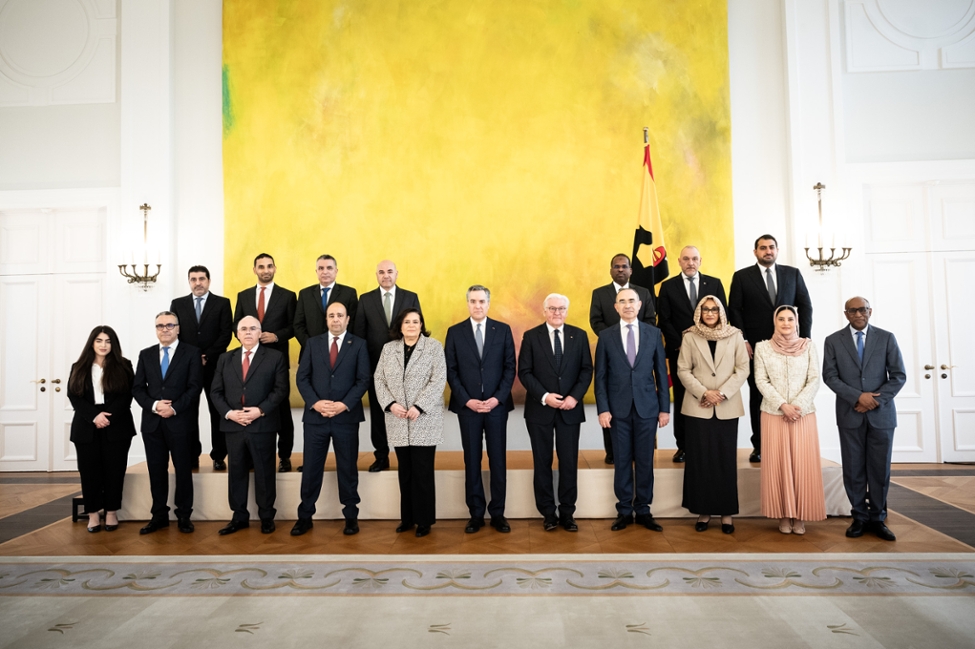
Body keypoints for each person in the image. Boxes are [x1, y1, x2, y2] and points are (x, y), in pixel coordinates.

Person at [823, 297, 906, 542]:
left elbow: (898, 375)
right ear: (846, 314)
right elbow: (830, 376)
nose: (858, 314)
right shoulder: (833, 341)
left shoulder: (886, 337)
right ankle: (859, 517)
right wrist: (858, 397)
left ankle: (878, 518)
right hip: (850, 414)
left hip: (882, 415)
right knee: (853, 468)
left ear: (870, 311)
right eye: (853, 310)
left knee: (879, 469)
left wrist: (874, 400)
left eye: (862, 309)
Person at [729, 234, 813, 463]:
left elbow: (805, 306)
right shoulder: (742, 277)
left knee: (790, 392)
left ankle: (788, 442)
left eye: (772, 247)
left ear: (777, 250)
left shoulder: (792, 274)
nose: (768, 251)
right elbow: (734, 310)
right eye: (763, 248)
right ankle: (760, 445)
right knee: (759, 395)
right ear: (755, 252)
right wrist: (743, 340)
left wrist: (805, 339)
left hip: (789, 347)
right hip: (756, 348)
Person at [594, 287, 670, 532]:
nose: (627, 305)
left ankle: (644, 509)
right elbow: (601, 377)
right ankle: (624, 510)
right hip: (617, 412)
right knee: (623, 461)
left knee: (646, 462)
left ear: (640, 306)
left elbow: (660, 373)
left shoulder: (653, 333)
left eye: (632, 301)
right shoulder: (606, 337)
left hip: (648, 409)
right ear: (616, 307)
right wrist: (603, 409)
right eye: (622, 301)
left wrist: (664, 409)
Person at [292, 302, 371, 536]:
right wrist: (316, 403)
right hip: (316, 418)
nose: (336, 319)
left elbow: (363, 380)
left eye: (340, 315)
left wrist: (343, 405)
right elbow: (302, 378)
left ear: (348, 319)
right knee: (311, 469)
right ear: (326, 319)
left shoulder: (359, 344)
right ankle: (305, 516)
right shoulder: (312, 344)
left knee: (347, 467)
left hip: (345, 418)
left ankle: (350, 516)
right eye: (331, 316)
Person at [517, 293, 593, 532]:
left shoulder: (579, 336)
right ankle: (548, 513)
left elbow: (586, 370)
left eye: (561, 308)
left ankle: (568, 513)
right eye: (552, 308)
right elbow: (525, 372)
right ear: (544, 310)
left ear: (567, 311)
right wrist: (545, 397)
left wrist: (574, 397)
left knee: (569, 462)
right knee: (542, 462)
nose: (557, 312)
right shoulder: (531, 336)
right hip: (540, 410)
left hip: (570, 409)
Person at [445, 285, 516, 534]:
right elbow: (451, 371)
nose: (477, 305)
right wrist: (466, 400)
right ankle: (475, 514)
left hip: (496, 407)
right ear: (467, 304)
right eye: (473, 301)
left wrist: (497, 398)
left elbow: (510, 368)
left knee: (498, 461)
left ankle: (498, 513)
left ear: (488, 303)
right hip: (469, 409)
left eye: (482, 301)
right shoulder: (455, 332)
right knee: (472, 461)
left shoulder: (503, 330)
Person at [210, 316, 289, 535]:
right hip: (233, 425)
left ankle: (266, 516)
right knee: (236, 472)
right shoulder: (225, 359)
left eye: (252, 328)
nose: (247, 332)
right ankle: (239, 517)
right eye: (243, 328)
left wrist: (259, 410)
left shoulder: (275, 357)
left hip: (262, 423)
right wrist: (229, 413)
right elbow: (215, 392)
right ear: (237, 333)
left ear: (260, 332)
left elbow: (280, 390)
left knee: (264, 472)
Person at [676, 297, 748, 534]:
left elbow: (743, 369)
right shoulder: (689, 336)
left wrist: (722, 393)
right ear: (699, 312)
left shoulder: (735, 335)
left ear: (721, 312)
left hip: (727, 407)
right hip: (698, 407)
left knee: (725, 461)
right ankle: (703, 511)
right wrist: (704, 392)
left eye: (714, 309)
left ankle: (727, 514)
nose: (709, 313)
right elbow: (683, 369)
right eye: (705, 309)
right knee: (701, 462)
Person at [374, 308, 447, 538]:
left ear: (421, 325)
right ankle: (407, 518)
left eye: (416, 322)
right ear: (400, 325)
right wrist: (390, 404)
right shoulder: (389, 349)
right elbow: (378, 379)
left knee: (423, 472)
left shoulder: (433, 347)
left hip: (423, 418)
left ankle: (424, 520)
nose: (412, 325)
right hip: (397, 418)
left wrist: (419, 406)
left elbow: (439, 380)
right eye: (407, 322)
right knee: (404, 472)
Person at [753, 305, 825, 535]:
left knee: (801, 465)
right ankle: (783, 515)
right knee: (779, 465)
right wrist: (783, 406)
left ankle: (800, 515)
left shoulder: (809, 346)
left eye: (790, 319)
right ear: (774, 322)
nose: (786, 323)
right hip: (774, 414)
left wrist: (797, 407)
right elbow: (761, 380)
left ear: (797, 321)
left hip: (803, 415)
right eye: (781, 319)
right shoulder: (763, 347)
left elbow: (814, 379)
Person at [132, 311, 203, 534]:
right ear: (156, 329)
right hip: (153, 424)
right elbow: (137, 389)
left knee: (183, 469)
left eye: (170, 325)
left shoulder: (191, 353)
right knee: (156, 470)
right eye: (160, 325)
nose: (165, 329)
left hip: (180, 421)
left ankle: (184, 516)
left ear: (178, 328)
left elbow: (195, 388)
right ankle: (159, 515)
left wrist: (173, 408)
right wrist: (155, 406)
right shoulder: (146, 355)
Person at [657, 246, 727, 463]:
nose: (690, 263)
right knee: (683, 399)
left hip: (712, 353)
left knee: (711, 396)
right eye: (686, 259)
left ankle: (708, 446)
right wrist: (682, 345)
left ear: (700, 260)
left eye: (694, 258)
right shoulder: (668, 287)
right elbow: (664, 320)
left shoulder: (714, 283)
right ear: (679, 261)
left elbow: (723, 316)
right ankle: (684, 446)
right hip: (681, 352)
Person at [353, 260, 421, 473]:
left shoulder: (410, 297)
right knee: (379, 412)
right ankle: (381, 456)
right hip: (376, 369)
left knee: (405, 412)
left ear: (396, 274)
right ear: (376, 275)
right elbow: (360, 337)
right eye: (381, 272)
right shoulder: (365, 300)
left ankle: (407, 458)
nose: (386, 275)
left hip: (406, 368)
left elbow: (417, 331)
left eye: (389, 271)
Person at [67, 326, 136, 533]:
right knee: (89, 472)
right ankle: (93, 513)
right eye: (99, 341)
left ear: (113, 344)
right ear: (92, 343)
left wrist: (107, 417)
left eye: (108, 341)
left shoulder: (124, 365)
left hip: (117, 424)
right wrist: (94, 416)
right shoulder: (78, 366)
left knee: (114, 471)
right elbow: (74, 395)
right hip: (86, 425)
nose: (103, 345)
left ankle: (112, 512)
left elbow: (127, 395)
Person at [589, 253, 657, 464]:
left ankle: (639, 452)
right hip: (612, 355)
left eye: (624, 266)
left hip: (639, 354)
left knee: (638, 405)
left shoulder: (643, 293)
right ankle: (612, 452)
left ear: (630, 270)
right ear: (611, 270)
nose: (620, 269)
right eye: (616, 266)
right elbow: (595, 321)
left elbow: (650, 320)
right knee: (613, 402)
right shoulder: (600, 293)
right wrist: (614, 338)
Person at [233, 253, 298, 472]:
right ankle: (252, 454)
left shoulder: (288, 296)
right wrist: (248, 338)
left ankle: (285, 455)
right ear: (255, 270)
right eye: (261, 266)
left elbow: (294, 326)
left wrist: (276, 336)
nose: (265, 270)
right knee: (251, 406)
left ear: (275, 268)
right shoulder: (243, 296)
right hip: (249, 363)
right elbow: (236, 326)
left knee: (281, 408)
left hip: (276, 360)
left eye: (269, 266)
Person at [169, 265, 233, 470]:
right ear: (189, 282)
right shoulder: (178, 304)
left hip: (215, 367)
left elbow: (226, 334)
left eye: (202, 279)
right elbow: (174, 333)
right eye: (194, 279)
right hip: (188, 368)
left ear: (209, 281)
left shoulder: (222, 303)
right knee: (188, 412)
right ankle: (191, 454)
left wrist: (207, 355)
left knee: (217, 411)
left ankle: (219, 455)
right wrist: (194, 358)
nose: (198, 283)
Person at [294, 254, 359, 354]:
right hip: (310, 352)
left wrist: (341, 345)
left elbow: (353, 323)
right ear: (316, 271)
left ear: (336, 271)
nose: (325, 272)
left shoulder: (349, 293)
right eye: (321, 268)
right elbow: (298, 325)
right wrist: (311, 345)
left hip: (341, 351)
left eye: (329, 268)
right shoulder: (305, 294)